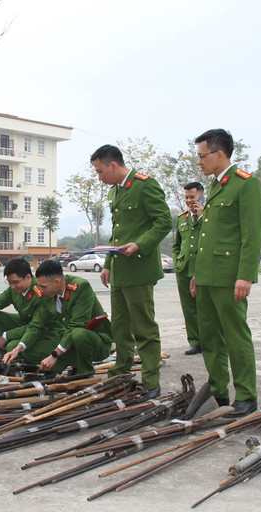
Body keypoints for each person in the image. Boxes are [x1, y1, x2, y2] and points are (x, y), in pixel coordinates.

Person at [189, 129, 261, 418]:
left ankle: (246, 396)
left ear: (220, 154)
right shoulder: (217, 187)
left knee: (235, 336)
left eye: (202, 155)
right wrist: (198, 274)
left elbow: (252, 234)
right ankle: (219, 392)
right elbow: (209, 236)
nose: (199, 162)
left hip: (229, 277)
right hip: (207, 277)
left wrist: (245, 275)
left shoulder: (245, 184)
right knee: (209, 338)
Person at [91, 144, 171, 397]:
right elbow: (118, 233)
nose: (99, 177)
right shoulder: (116, 191)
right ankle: (121, 372)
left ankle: (151, 381)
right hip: (120, 270)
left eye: (100, 171)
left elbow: (164, 221)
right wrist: (108, 265)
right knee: (121, 328)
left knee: (143, 328)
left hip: (139, 269)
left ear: (113, 165)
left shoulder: (144, 185)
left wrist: (139, 245)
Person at [14, 259, 112, 376]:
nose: (40, 290)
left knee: (78, 334)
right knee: (18, 346)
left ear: (57, 281)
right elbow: (37, 324)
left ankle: (85, 373)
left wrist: (54, 355)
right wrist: (18, 348)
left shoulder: (81, 287)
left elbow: (77, 324)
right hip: (69, 343)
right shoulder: (48, 294)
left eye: (43, 286)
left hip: (95, 343)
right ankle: (70, 364)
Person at [0, 258, 62, 363]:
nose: (12, 286)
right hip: (27, 325)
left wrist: (7, 335)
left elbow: (36, 326)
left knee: (11, 345)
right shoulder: (15, 289)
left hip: (45, 331)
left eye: (15, 282)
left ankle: (22, 364)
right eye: (9, 282)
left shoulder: (41, 291)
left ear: (28, 277)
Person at [173, 182, 205, 355]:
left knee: (204, 307)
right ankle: (195, 341)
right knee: (189, 308)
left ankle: (209, 341)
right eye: (186, 197)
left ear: (201, 196)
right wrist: (177, 261)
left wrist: (201, 216)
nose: (189, 200)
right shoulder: (181, 218)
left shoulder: (209, 215)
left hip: (202, 268)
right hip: (184, 268)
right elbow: (176, 244)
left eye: (192, 197)